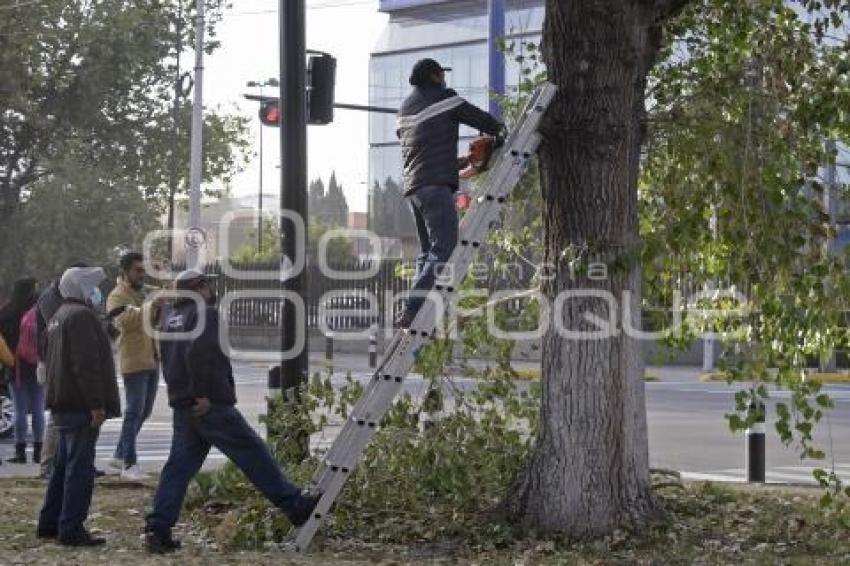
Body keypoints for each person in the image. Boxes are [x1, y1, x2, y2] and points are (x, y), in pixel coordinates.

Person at [145, 270, 319, 554]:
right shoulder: (206, 313)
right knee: (254, 454)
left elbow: (169, 358)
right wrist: (201, 394)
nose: (212, 289)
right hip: (211, 404)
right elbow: (200, 354)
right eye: (208, 284)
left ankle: (158, 528)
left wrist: (185, 397)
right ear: (199, 287)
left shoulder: (168, 317)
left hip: (183, 406)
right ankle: (294, 505)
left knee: (177, 469)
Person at [394, 58, 505, 329]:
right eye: (442, 74)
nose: (445, 78)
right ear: (434, 76)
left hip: (414, 190)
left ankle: (413, 311)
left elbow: (424, 152)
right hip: (434, 187)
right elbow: (481, 120)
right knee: (444, 248)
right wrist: (499, 132)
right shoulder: (446, 98)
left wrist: (463, 163)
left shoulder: (405, 109)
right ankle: (411, 310)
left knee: (426, 253)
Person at [37, 267, 120, 546]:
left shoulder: (58, 317)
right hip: (80, 406)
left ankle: (50, 523)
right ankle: (71, 528)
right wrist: (96, 405)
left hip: (62, 402)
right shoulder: (82, 317)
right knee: (79, 469)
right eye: (90, 286)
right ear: (80, 288)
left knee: (62, 467)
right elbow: (86, 366)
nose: (95, 292)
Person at [106, 251, 161, 480]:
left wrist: (158, 303)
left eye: (143, 270)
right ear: (125, 271)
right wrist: (152, 304)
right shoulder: (117, 296)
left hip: (152, 359)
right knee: (133, 413)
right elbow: (125, 322)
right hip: (134, 361)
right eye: (137, 270)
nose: (141, 275)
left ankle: (118, 458)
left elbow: (153, 320)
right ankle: (130, 464)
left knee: (144, 412)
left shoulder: (143, 294)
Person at [0, 277, 40, 463]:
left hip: (14, 366)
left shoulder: (6, 311)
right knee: (39, 409)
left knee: (19, 410)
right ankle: (39, 451)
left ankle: (20, 451)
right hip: (37, 366)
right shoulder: (40, 311)